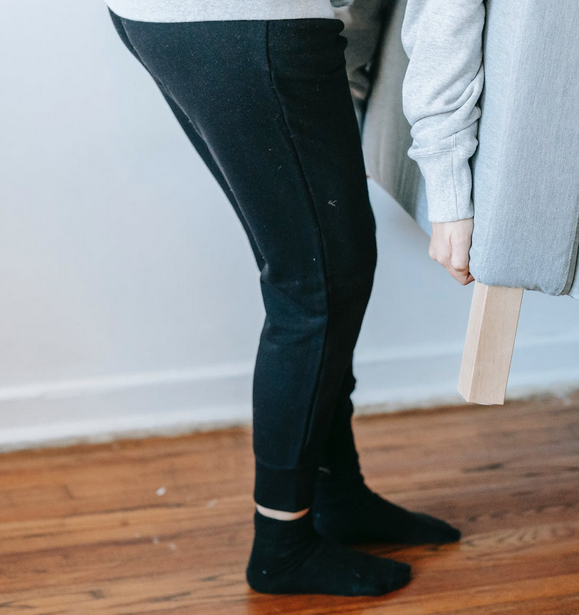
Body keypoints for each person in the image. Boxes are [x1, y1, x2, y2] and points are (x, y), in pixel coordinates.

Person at [102, 0, 484, 598]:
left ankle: (338, 496)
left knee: (319, 270)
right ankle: (282, 546)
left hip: (172, 18)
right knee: (317, 286)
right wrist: (450, 184)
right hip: (247, 22)